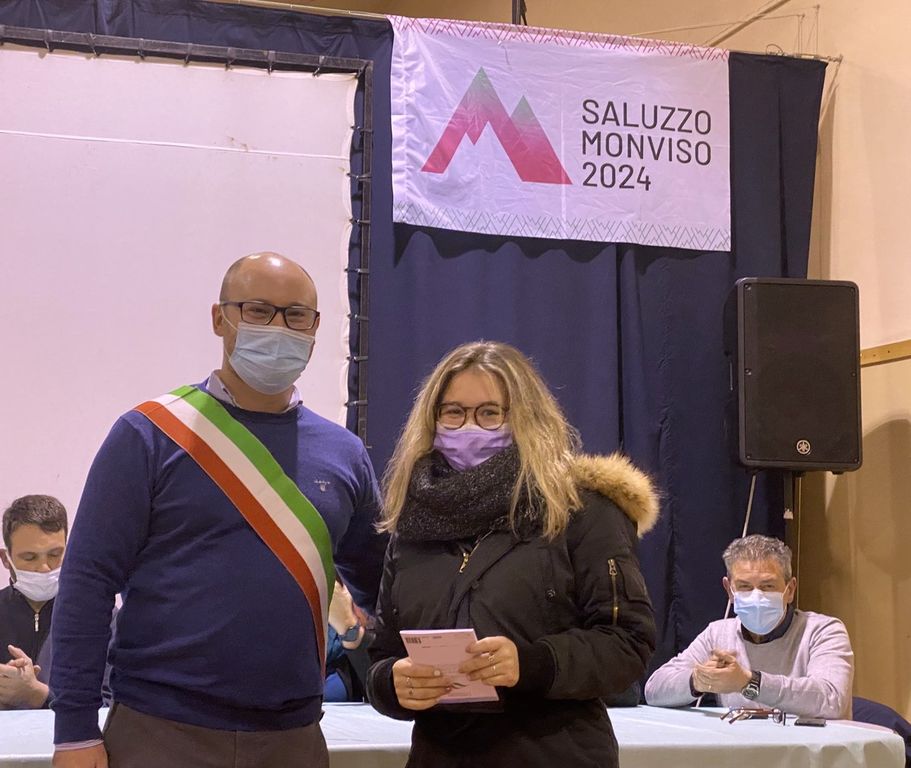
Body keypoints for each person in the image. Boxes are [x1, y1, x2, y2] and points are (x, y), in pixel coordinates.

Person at [50, 252, 387, 768]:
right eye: (258, 310)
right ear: (219, 318)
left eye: (296, 315)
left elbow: (385, 582)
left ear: (316, 328)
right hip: (159, 731)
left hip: (293, 737)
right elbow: (87, 582)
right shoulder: (149, 435)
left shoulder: (345, 453)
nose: (279, 327)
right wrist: (74, 731)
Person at [366, 341, 658, 768]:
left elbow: (628, 642)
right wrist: (391, 685)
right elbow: (383, 654)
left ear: (526, 417)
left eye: (490, 413)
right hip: (440, 755)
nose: (469, 426)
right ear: (432, 419)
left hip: (555, 754)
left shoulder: (581, 510)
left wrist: (532, 663)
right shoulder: (412, 522)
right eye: (453, 412)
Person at [644, 534, 854, 719]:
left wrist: (749, 682)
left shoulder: (822, 631)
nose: (757, 596)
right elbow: (654, 689)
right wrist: (697, 680)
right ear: (729, 590)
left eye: (767, 586)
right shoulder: (718, 633)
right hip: (741, 748)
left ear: (790, 590)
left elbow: (832, 699)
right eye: (744, 587)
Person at [0, 494, 67, 710]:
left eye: (55, 554)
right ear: (6, 559)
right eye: (29, 557)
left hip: (68, 733)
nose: (44, 568)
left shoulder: (99, 617)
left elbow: (111, 707)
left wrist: (38, 695)